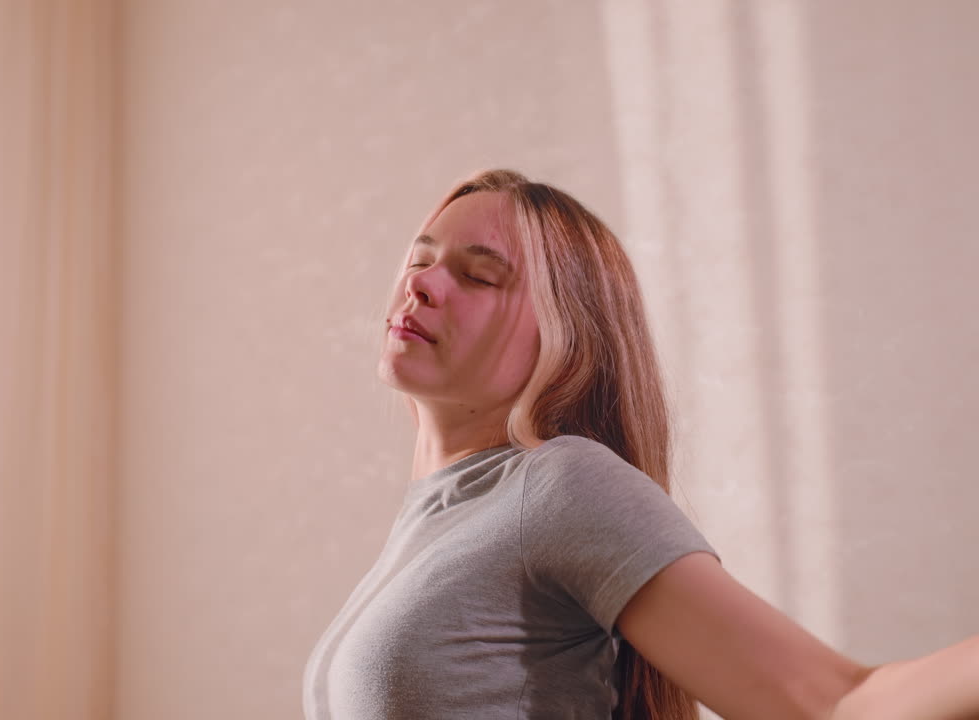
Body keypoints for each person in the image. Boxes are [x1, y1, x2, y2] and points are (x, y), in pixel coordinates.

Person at [301, 169, 979, 720]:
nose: (419, 284)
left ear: (566, 334)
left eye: (479, 276)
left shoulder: (560, 486)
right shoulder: (436, 523)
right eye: (420, 260)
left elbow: (832, 706)